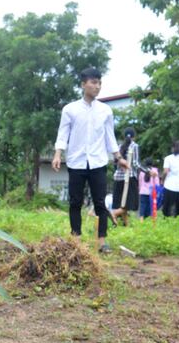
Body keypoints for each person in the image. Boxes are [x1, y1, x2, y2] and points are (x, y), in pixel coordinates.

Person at [52, 68, 129, 253]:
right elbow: (63, 134)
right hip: (76, 162)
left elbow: (110, 137)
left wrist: (119, 158)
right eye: (93, 82)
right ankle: (75, 239)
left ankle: (102, 242)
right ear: (83, 84)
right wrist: (57, 154)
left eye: (99, 83)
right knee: (75, 202)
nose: (97, 86)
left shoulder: (106, 111)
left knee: (101, 202)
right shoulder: (70, 109)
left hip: (98, 162)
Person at [110, 128, 141, 226]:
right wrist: (147, 171)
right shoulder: (135, 146)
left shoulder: (119, 146)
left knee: (122, 203)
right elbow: (135, 163)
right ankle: (112, 214)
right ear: (134, 136)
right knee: (128, 203)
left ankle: (126, 226)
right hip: (129, 177)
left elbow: (115, 162)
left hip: (118, 178)